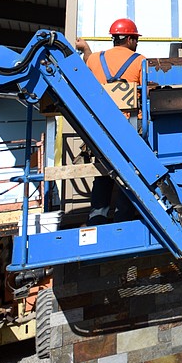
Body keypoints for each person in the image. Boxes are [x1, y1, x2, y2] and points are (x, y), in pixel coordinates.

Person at [75, 18, 145, 225]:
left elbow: (90, 74)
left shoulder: (95, 59)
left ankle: (97, 217)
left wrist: (86, 48)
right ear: (131, 39)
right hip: (130, 127)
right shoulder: (140, 61)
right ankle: (124, 218)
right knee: (129, 173)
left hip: (101, 128)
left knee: (103, 172)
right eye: (136, 39)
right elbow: (148, 93)